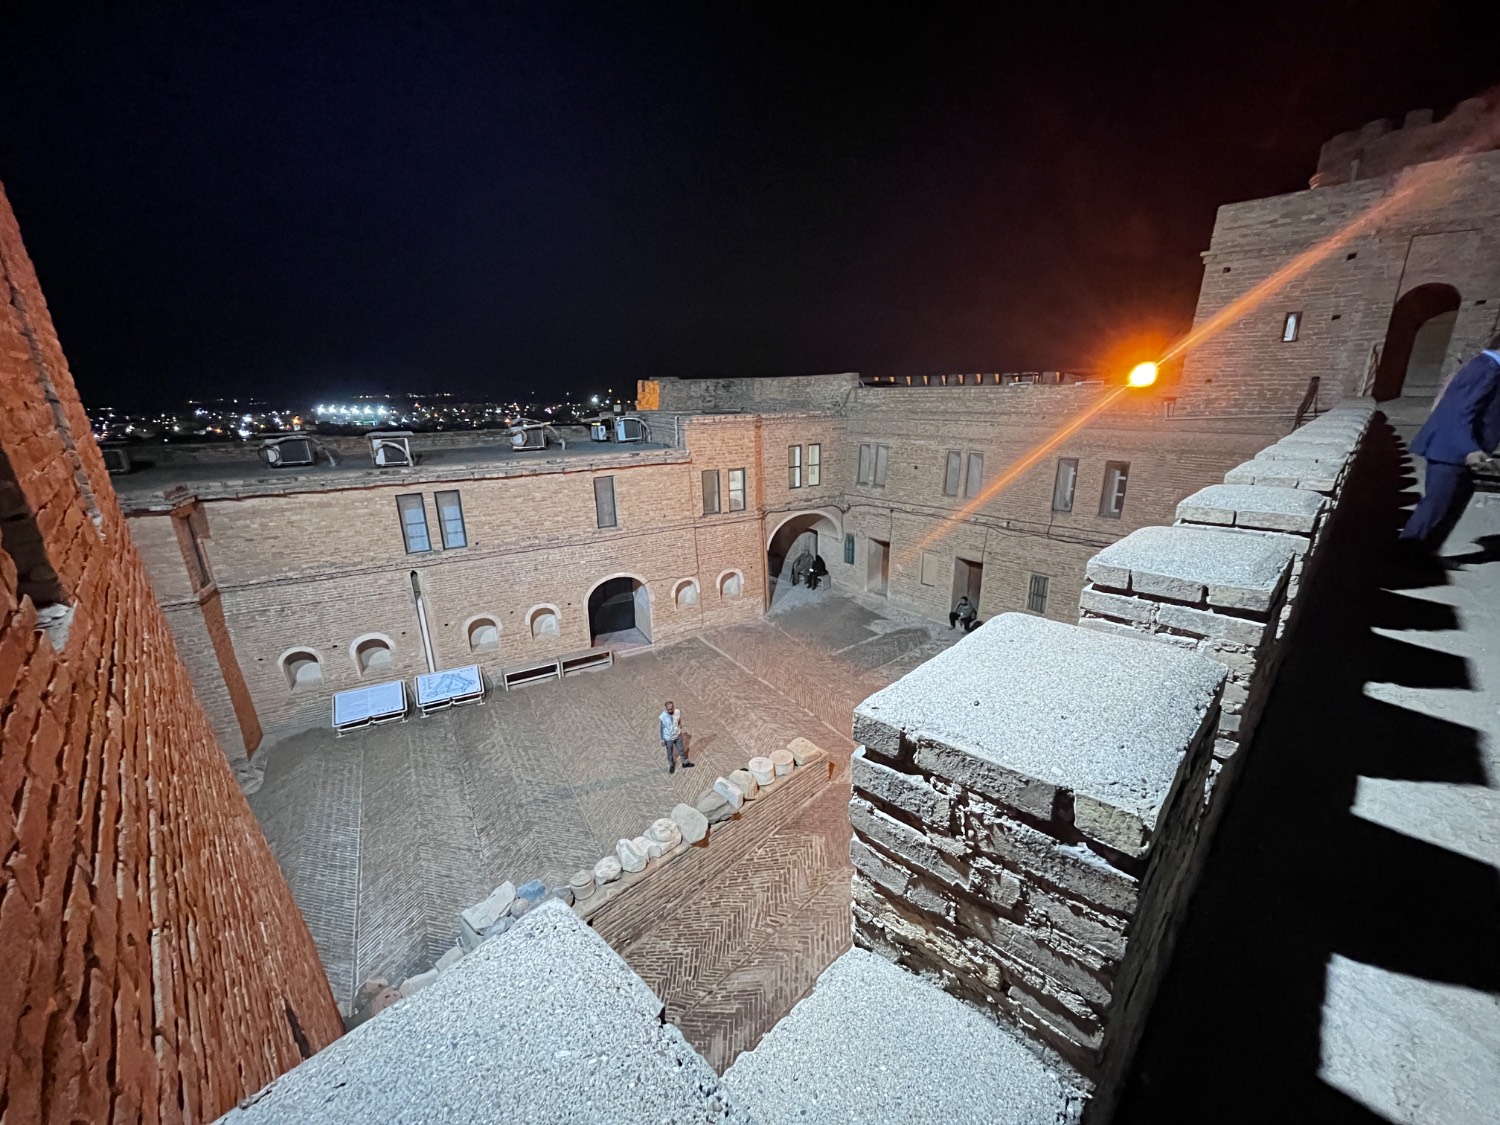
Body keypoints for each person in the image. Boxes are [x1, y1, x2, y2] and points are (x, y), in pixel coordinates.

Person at [1399, 332, 1500, 551]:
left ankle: (1424, 557)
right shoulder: (1487, 368)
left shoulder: (1488, 368)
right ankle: (1401, 560)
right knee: (1434, 508)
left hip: (1461, 450)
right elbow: (1458, 411)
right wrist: (1468, 449)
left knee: (1452, 506)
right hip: (1452, 449)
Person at [659, 700, 694, 774]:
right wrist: (662, 739)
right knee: (670, 753)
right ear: (666, 709)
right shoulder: (663, 717)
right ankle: (671, 765)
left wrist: (680, 725)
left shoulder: (677, 712)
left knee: (681, 749)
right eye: (668, 709)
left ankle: (685, 762)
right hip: (668, 738)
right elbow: (661, 728)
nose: (670, 710)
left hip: (677, 735)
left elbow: (678, 719)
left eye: (671, 708)